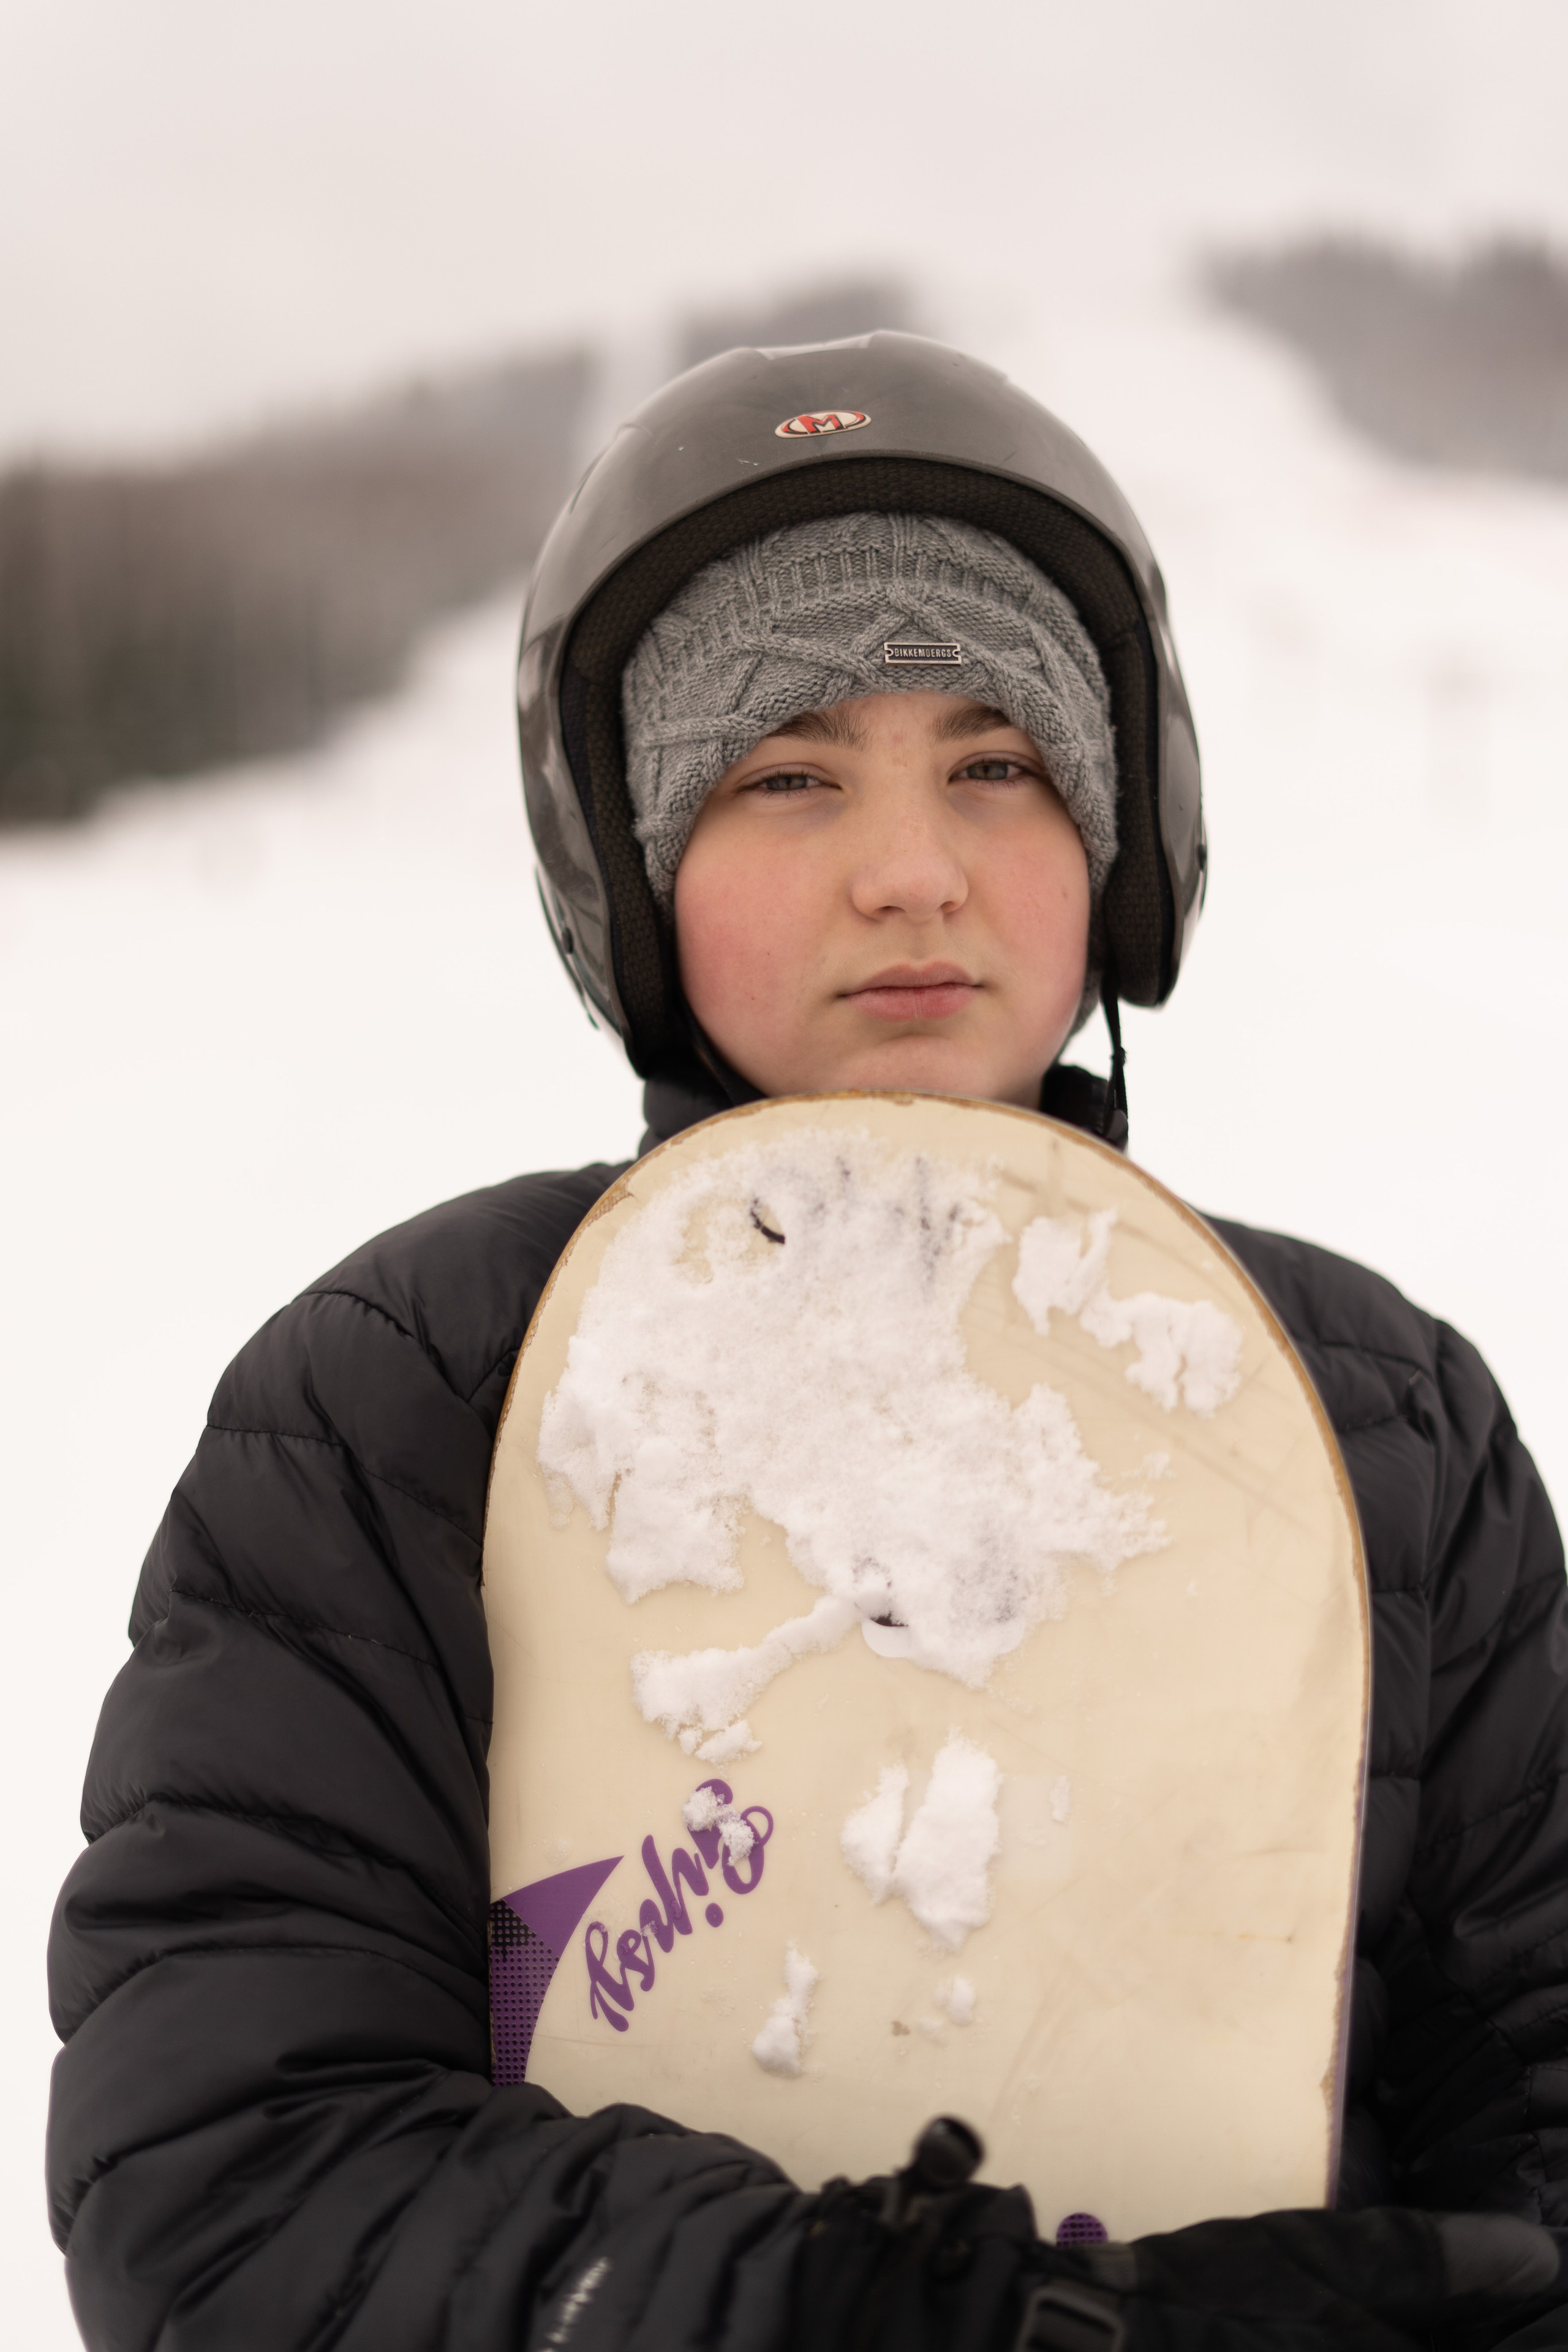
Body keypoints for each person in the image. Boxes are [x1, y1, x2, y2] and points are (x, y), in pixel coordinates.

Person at [47, 334, 1568, 2352]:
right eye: (785, 775)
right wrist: (871, 2310)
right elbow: (228, 2187)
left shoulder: (1377, 1420)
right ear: (636, 872)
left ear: (1118, 844)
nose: (909, 868)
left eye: (997, 763)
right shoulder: (407, 1399)